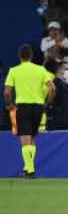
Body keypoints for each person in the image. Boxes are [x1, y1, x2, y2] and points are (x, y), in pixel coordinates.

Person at [3, 44, 55, 178]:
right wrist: (48, 103)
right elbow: (52, 88)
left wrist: (9, 104)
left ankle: (30, 170)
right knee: (32, 138)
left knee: (24, 139)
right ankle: (27, 168)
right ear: (31, 56)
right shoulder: (41, 69)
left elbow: (7, 92)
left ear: (19, 56)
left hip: (23, 106)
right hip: (38, 107)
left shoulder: (14, 70)